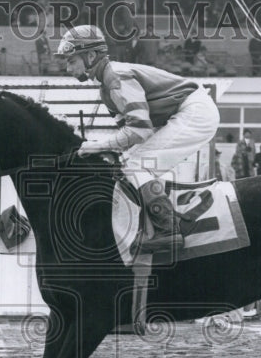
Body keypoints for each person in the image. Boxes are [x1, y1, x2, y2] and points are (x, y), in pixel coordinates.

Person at [56, 25, 219, 254]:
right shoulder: (105, 88)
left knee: (138, 165)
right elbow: (130, 139)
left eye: (71, 60)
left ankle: (168, 231)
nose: (67, 67)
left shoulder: (115, 76)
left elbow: (140, 131)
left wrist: (98, 146)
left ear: (90, 56)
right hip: (186, 110)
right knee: (129, 163)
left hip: (194, 110)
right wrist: (103, 152)